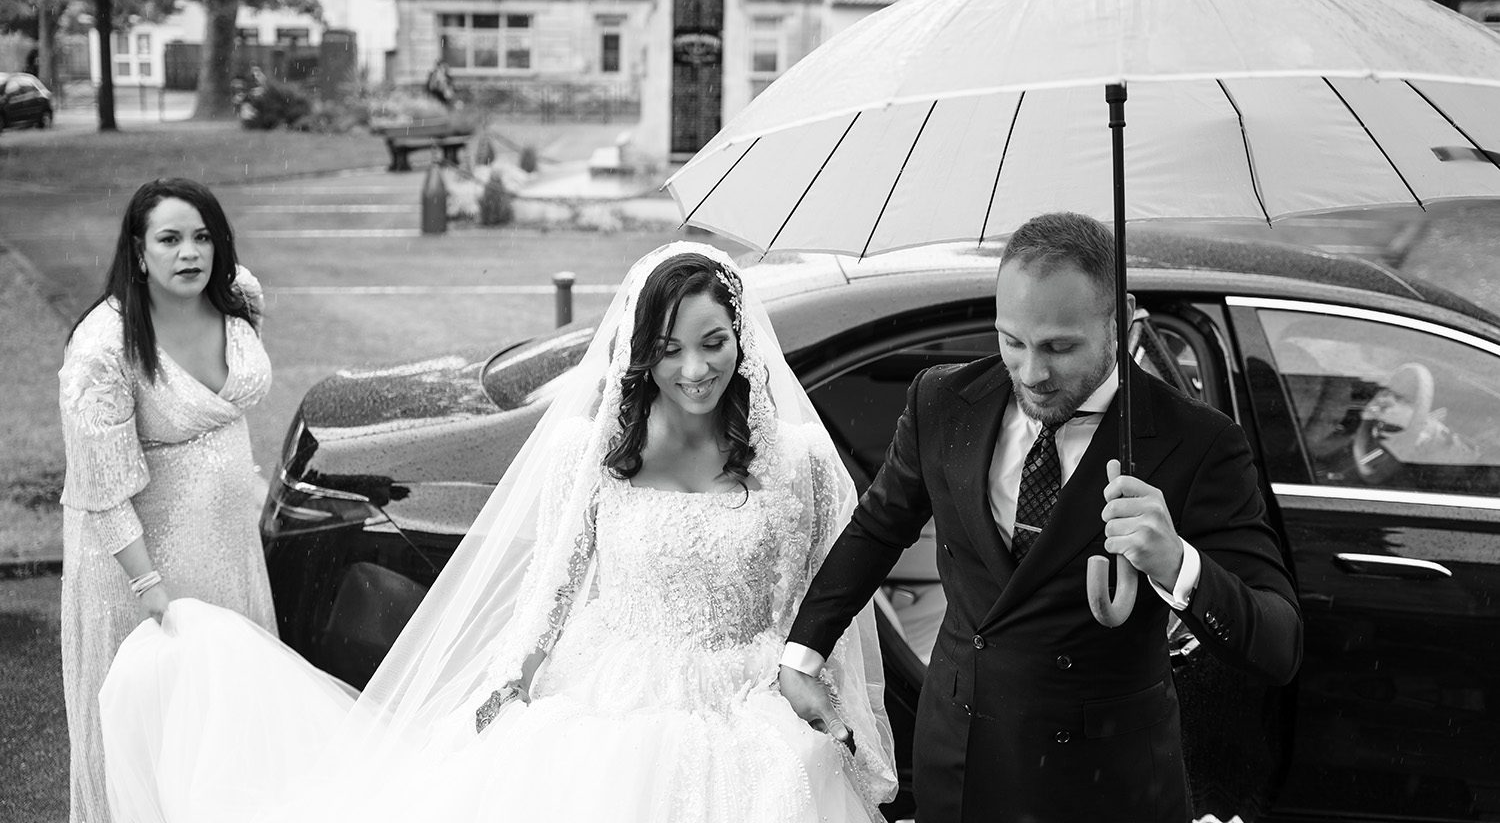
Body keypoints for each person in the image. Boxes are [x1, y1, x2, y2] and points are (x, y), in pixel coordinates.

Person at [99, 242, 897, 823]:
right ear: (638, 354)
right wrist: (512, 679)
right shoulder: (591, 457)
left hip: (752, 714)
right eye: (669, 349)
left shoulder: (799, 462)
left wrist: (823, 691)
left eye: (714, 343)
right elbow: (553, 582)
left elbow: (833, 592)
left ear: (742, 340)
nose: (695, 369)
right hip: (616, 702)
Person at [779, 211, 1303, 823]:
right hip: (960, 760)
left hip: (1107, 785)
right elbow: (877, 530)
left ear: (1121, 321)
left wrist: (1178, 564)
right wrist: (802, 655)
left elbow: (1278, 644)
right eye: (1012, 342)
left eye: (1059, 346)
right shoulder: (942, 401)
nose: (1032, 373)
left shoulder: (1199, 444)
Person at [58, 178, 275, 823]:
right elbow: (100, 490)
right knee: (156, 741)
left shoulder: (238, 299)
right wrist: (149, 587)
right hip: (144, 569)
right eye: (170, 239)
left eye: (203, 237)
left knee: (229, 732)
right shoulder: (103, 348)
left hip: (229, 552)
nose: (190, 253)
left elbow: (230, 412)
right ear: (138, 247)